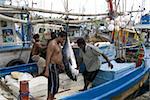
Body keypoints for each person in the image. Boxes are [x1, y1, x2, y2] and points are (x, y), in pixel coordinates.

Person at [44, 31, 66, 100]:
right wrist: (47, 70)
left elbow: (58, 56)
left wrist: (61, 64)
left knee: (53, 84)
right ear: (59, 37)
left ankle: (51, 97)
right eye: (63, 39)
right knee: (54, 85)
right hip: (52, 66)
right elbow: (48, 57)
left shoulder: (58, 44)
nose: (63, 41)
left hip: (56, 66)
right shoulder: (52, 44)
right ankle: (50, 98)